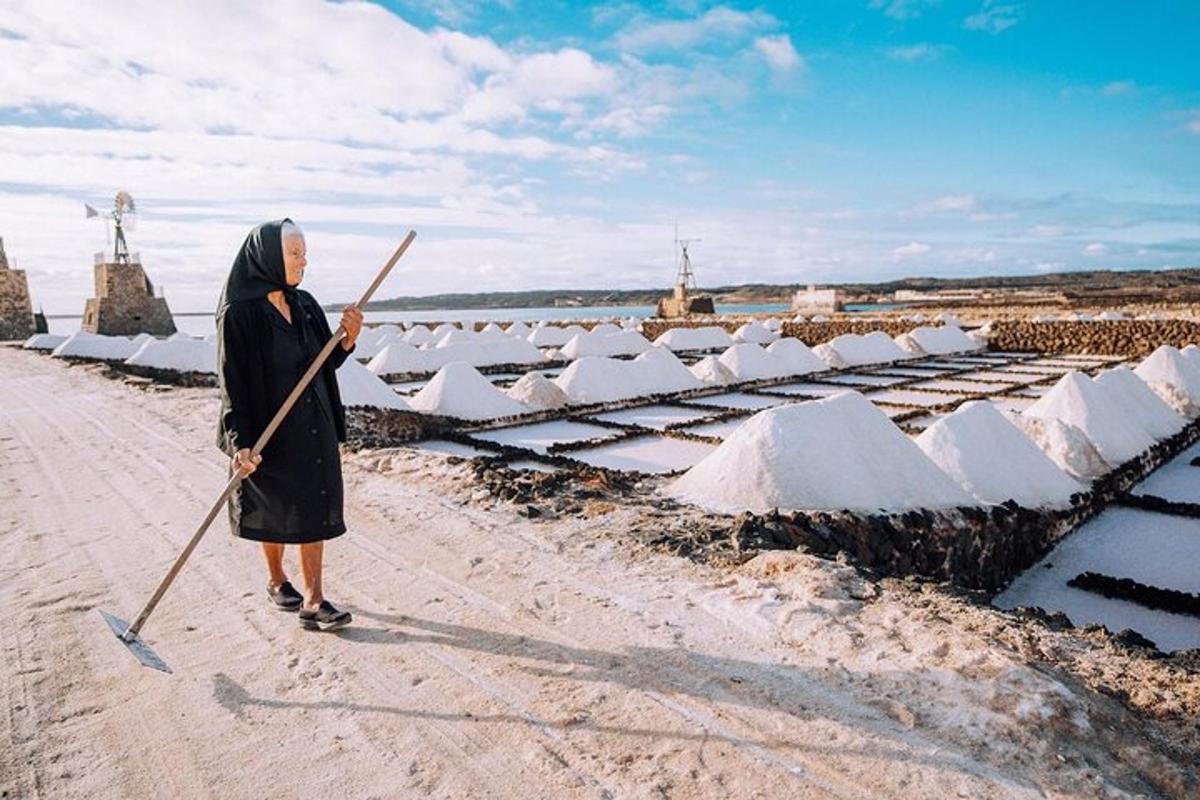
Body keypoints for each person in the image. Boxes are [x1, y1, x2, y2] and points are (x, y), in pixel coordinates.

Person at [215, 219, 363, 631]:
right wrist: (240, 441)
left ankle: (314, 600)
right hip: (266, 429)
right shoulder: (239, 314)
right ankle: (277, 577)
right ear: (267, 258)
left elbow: (324, 362)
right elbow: (232, 382)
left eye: (303, 252)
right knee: (274, 507)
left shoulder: (305, 304)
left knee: (313, 503)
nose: (304, 261)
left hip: (312, 424)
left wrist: (347, 339)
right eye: (295, 253)